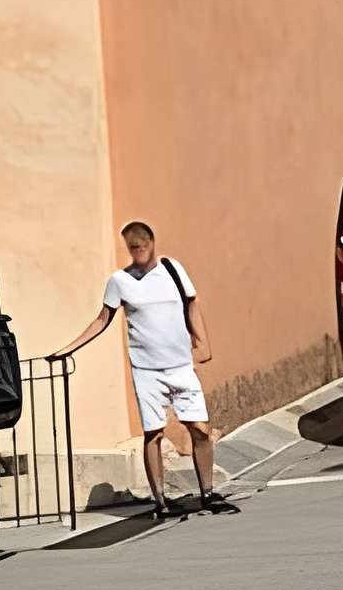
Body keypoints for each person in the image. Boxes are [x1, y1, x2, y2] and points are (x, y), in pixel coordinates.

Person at [53, 220, 234, 516]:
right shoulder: (119, 281)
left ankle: (209, 493)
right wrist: (67, 349)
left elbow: (191, 304)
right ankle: (161, 501)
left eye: (140, 245)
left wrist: (202, 343)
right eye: (131, 246)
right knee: (154, 433)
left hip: (180, 365)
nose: (136, 251)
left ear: (151, 243)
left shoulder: (172, 269)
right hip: (146, 369)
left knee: (199, 429)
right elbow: (103, 319)